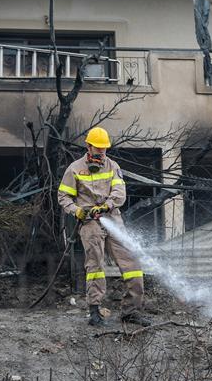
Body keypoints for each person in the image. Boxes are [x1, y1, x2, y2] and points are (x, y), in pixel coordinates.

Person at [57, 126, 151, 327]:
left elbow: (119, 193)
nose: (101, 152)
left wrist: (107, 205)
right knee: (95, 266)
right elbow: (63, 196)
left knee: (131, 263)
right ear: (88, 146)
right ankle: (94, 311)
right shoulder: (74, 168)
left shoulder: (113, 166)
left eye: (104, 148)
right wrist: (77, 211)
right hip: (89, 222)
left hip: (112, 218)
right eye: (97, 148)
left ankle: (131, 311)